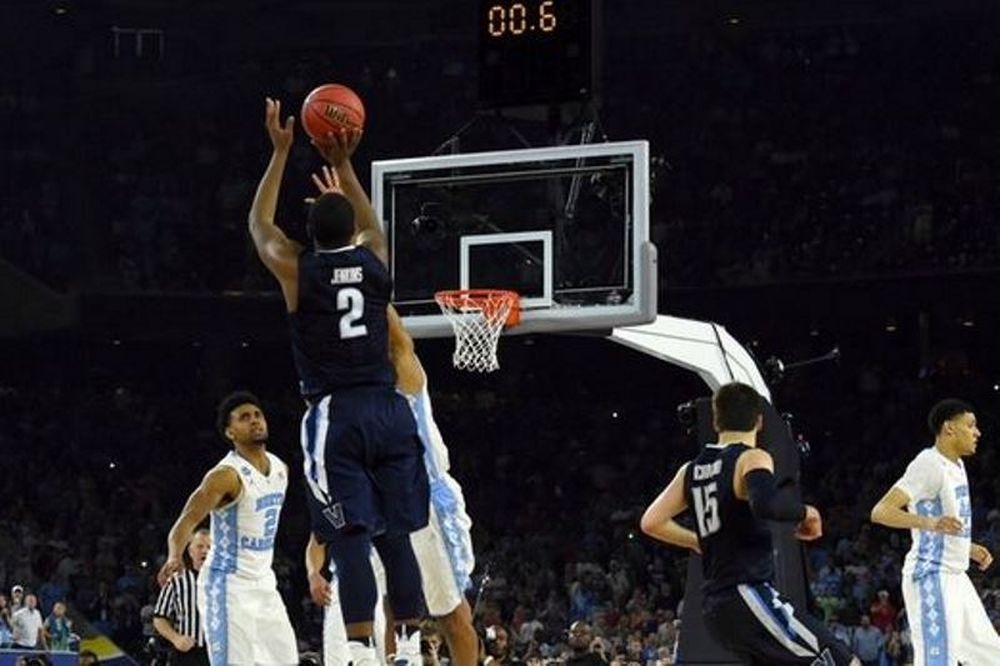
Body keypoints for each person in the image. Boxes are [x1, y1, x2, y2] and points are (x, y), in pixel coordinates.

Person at [248, 97, 428, 664]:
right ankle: (414, 645)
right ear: (351, 228)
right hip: (389, 408)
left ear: (309, 232)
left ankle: (359, 653)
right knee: (396, 532)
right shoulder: (376, 261)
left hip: (336, 415)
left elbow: (259, 226)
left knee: (349, 536)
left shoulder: (298, 270)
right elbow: (373, 224)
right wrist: (345, 165)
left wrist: (280, 153)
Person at [302, 161, 478, 666]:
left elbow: (376, 305)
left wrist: (344, 246)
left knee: (453, 617)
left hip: (424, 499)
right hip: (374, 498)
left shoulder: (403, 374)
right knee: (383, 616)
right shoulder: (347, 398)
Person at [640, 382, 859, 665]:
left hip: (717, 611)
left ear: (716, 421)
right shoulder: (751, 457)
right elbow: (766, 504)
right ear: (759, 421)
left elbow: (651, 521)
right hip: (748, 594)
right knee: (843, 661)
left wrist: (697, 540)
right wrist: (808, 513)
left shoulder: (690, 470)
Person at [156, 391, 298, 666]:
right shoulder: (225, 475)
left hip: (265, 584)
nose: (255, 421)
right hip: (228, 586)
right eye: (244, 418)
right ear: (230, 432)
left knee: (287, 661)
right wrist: (174, 555)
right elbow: (186, 520)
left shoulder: (281, 468)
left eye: (258, 415)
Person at [870, 398, 1000, 664]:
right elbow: (880, 511)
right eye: (971, 425)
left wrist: (968, 548)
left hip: (955, 574)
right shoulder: (928, 464)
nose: (977, 432)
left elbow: (946, 524)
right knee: (937, 660)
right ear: (949, 428)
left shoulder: (956, 464)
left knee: (991, 655)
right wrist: (929, 523)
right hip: (931, 575)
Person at [153, 528, 211, 665]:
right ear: (190, 552)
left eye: (209, 547)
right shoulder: (177, 580)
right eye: (200, 546)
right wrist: (176, 638)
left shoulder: (227, 581)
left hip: (219, 653)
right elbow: (159, 617)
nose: (205, 551)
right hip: (187, 654)